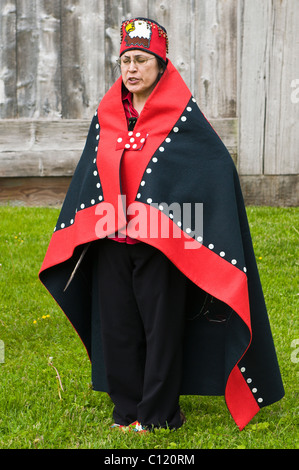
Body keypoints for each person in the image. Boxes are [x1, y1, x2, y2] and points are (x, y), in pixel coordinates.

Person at [39, 18, 284, 432]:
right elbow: (90, 174)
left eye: (140, 60)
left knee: (161, 330)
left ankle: (158, 415)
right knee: (117, 327)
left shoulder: (181, 118)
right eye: (125, 62)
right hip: (111, 239)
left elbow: (215, 167)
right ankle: (126, 411)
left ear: (161, 65)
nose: (131, 69)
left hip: (162, 247)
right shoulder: (108, 114)